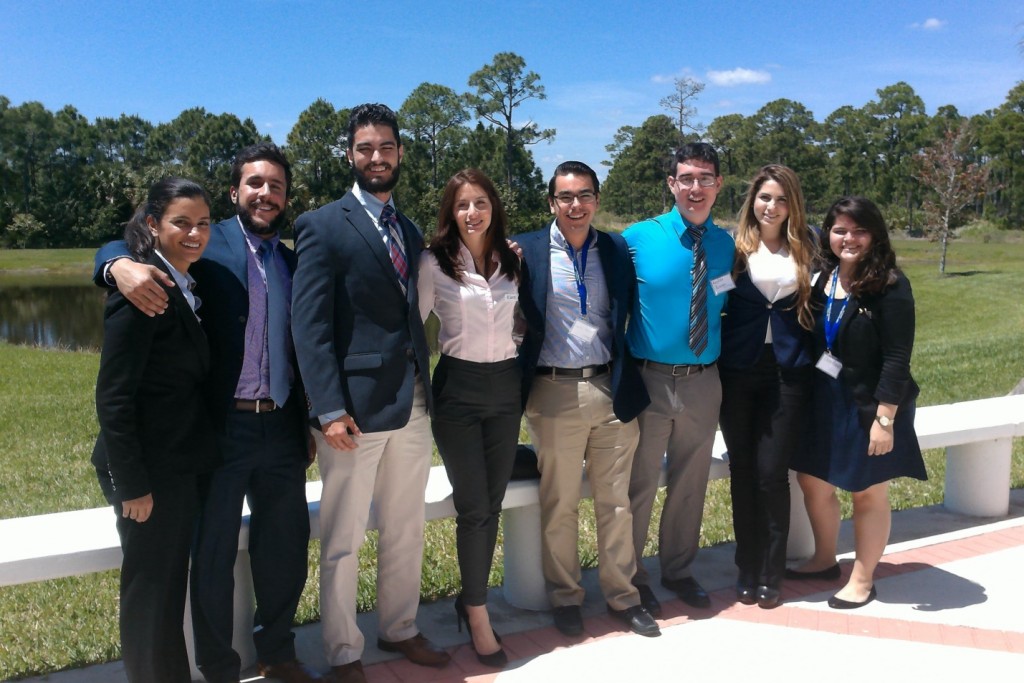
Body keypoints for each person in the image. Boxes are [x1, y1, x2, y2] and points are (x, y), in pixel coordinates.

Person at [94, 143, 321, 683]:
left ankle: (279, 651)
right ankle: (220, 666)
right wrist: (115, 265)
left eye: (277, 186)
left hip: (283, 425)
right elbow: (127, 241)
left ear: (287, 196)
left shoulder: (292, 259)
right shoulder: (205, 244)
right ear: (235, 192)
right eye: (255, 184)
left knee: (284, 547)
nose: (266, 194)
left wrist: (309, 417)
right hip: (221, 429)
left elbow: (305, 342)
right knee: (212, 553)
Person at [290, 103, 448, 683]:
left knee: (407, 526)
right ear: (350, 156)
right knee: (344, 538)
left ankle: (399, 627)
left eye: (386, 147)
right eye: (365, 148)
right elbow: (308, 328)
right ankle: (343, 651)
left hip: (412, 405)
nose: (376, 157)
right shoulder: (321, 224)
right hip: (351, 414)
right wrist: (326, 409)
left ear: (400, 152)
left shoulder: (407, 228)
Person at [518, 161, 660, 639]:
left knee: (615, 502)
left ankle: (623, 596)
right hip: (554, 390)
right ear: (551, 202)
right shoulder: (527, 250)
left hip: (610, 388)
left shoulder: (614, 248)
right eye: (565, 197)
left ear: (597, 200)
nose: (574, 206)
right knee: (559, 503)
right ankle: (566, 597)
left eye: (584, 196)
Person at [92, 177, 218, 683]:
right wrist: (133, 484)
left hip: (177, 464)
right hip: (147, 473)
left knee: (167, 589)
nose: (194, 233)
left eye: (203, 223)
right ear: (152, 225)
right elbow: (113, 395)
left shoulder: (183, 281)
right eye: (180, 222)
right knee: (151, 595)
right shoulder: (141, 288)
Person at [788, 196, 927, 609]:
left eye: (859, 230)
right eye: (840, 230)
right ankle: (824, 558)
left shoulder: (890, 285)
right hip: (825, 399)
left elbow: (898, 357)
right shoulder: (821, 278)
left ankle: (863, 578)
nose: (849, 238)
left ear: (875, 235)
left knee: (867, 491)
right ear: (827, 233)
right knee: (812, 479)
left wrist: (884, 419)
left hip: (870, 406)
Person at [417, 169, 522, 667]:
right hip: (457, 391)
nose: (472, 213)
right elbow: (413, 331)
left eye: (480, 202)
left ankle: (471, 597)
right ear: (450, 213)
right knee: (475, 506)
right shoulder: (433, 263)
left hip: (506, 389)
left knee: (493, 502)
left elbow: (527, 322)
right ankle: (477, 611)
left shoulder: (512, 260)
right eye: (462, 205)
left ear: (493, 206)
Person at [625, 143, 735, 615]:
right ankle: (630, 576)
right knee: (639, 483)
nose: (696, 187)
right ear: (671, 184)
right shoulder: (635, 239)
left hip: (703, 381)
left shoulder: (727, 245)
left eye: (705, 178)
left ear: (718, 186)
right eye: (686, 178)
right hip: (648, 380)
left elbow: (728, 305)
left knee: (691, 481)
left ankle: (678, 568)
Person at [717, 165, 817, 609]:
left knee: (772, 474)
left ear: (791, 204)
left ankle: (772, 572)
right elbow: (711, 298)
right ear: (751, 202)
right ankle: (747, 566)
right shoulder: (733, 249)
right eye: (764, 198)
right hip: (737, 371)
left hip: (788, 373)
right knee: (742, 474)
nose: (771, 207)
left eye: (780, 199)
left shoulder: (808, 247)